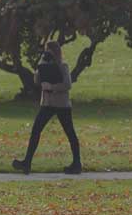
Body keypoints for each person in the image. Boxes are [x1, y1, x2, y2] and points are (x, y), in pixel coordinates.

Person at [12, 41, 82, 175]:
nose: (47, 54)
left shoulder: (63, 66)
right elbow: (37, 81)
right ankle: (27, 162)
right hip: (47, 104)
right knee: (36, 130)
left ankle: (77, 163)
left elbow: (67, 85)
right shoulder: (43, 66)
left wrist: (52, 87)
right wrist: (41, 63)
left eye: (49, 52)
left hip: (62, 105)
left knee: (70, 133)